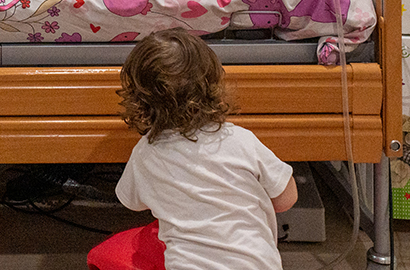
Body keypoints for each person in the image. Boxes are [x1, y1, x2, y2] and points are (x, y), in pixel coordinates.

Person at [115, 29, 297, 269]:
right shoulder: (240, 140)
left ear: (139, 99)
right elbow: (286, 199)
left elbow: (131, 202)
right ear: (212, 87)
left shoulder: (146, 153)